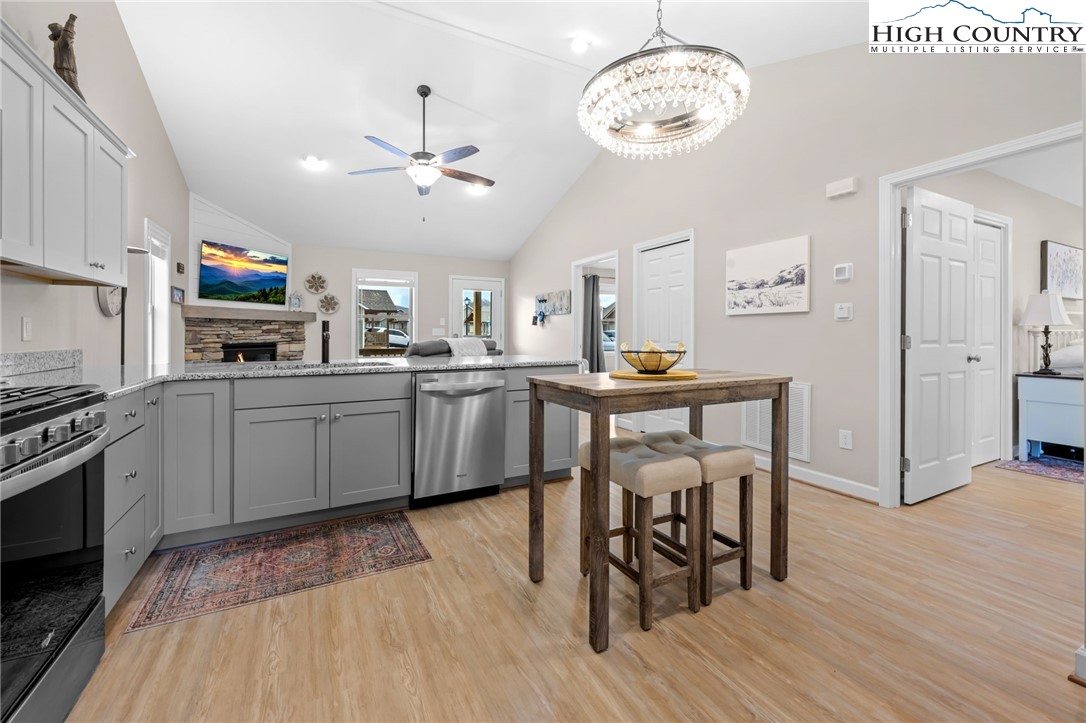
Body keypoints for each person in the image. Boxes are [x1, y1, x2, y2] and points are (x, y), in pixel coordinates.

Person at [48, 14, 84, 101]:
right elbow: (66, 35)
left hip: (65, 72)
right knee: (78, 99)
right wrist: (71, 20)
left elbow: (66, 35)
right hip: (66, 73)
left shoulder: (59, 44)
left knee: (71, 97)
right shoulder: (61, 43)